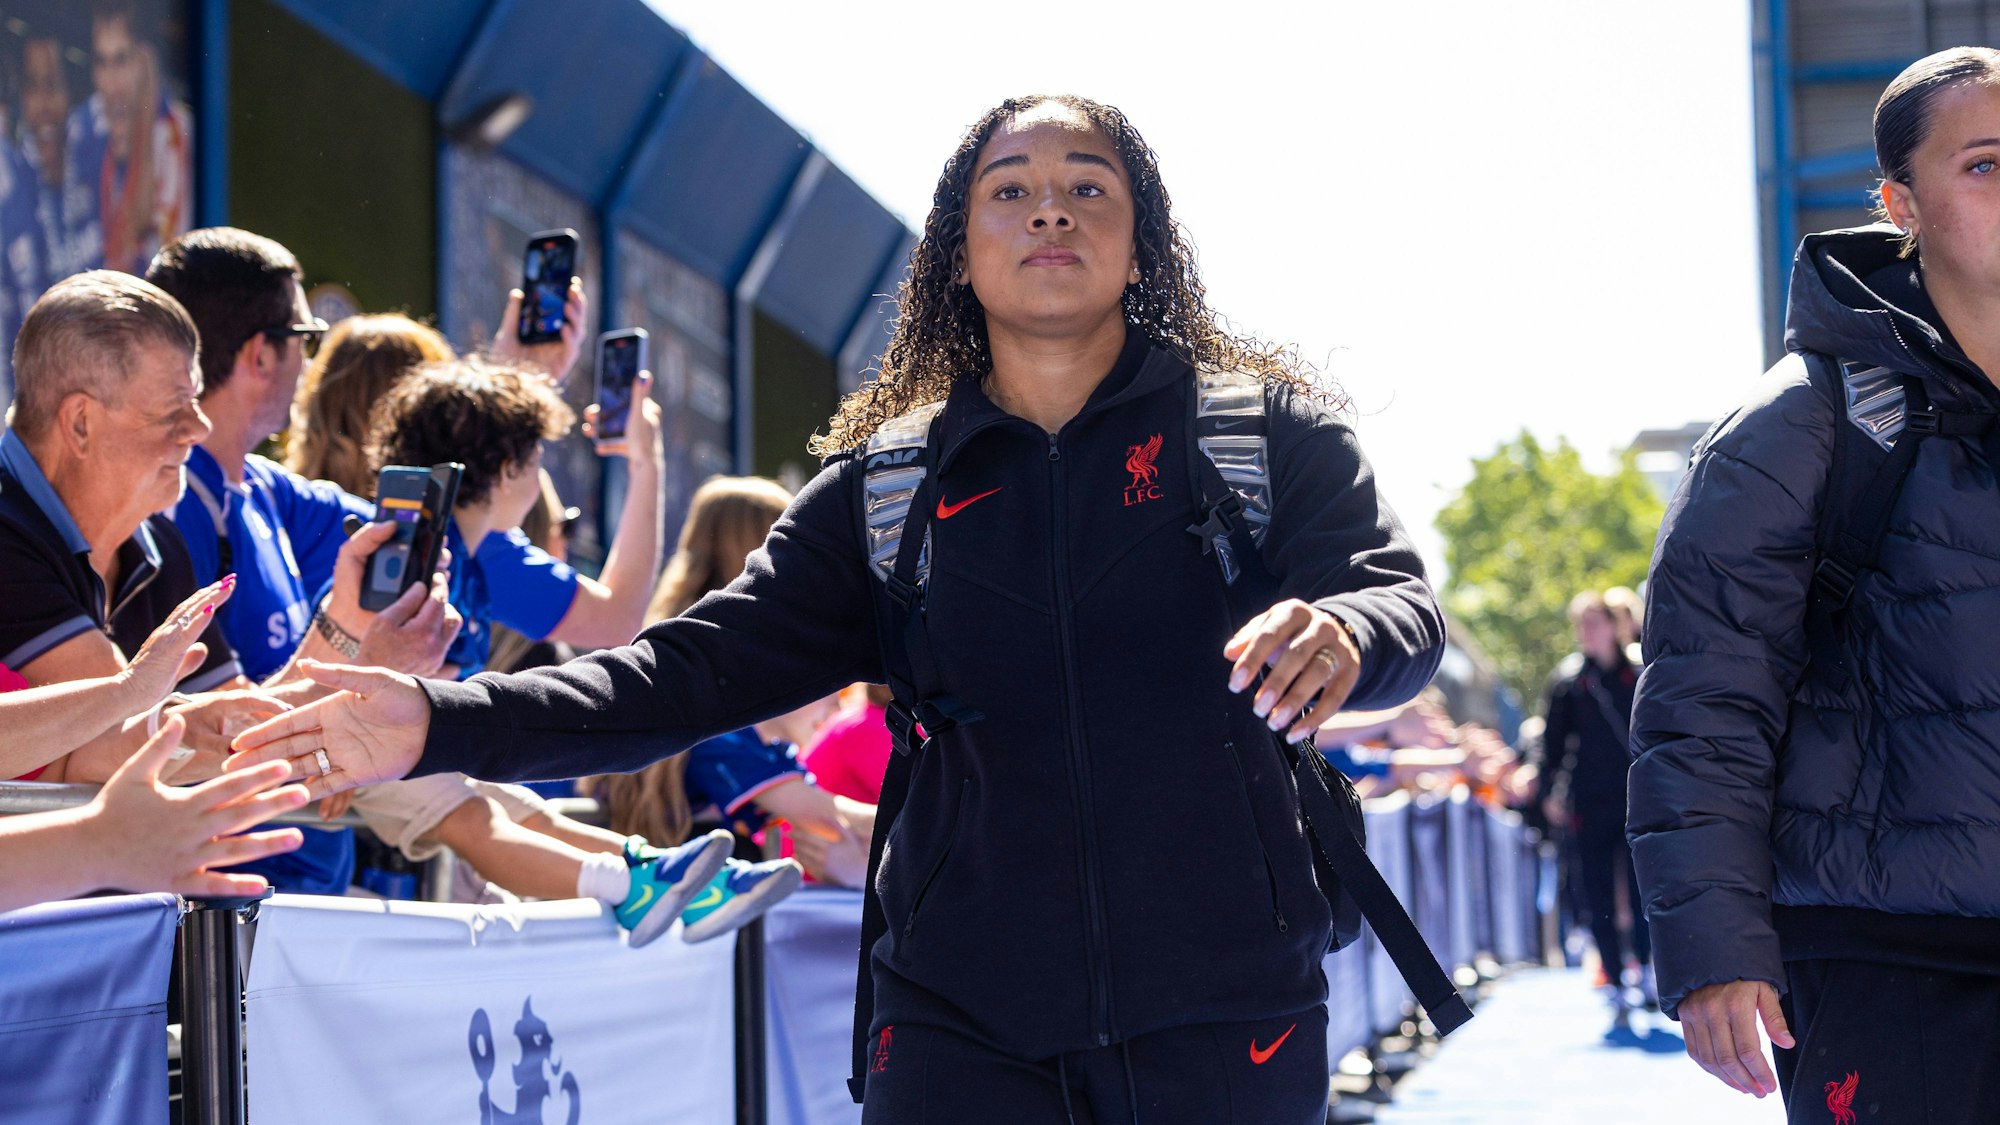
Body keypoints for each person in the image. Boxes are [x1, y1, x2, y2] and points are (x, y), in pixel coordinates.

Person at [230, 94, 1443, 1124]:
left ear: (1144, 243)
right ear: (957, 254)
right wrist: (435, 722)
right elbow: (677, 678)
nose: (1049, 210)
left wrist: (1347, 633)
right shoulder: (885, 488)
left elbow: (1395, 602)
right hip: (958, 1020)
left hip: (1223, 1010)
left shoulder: (1258, 439)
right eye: (1009, 191)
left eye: (1088, 187)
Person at [1629, 47, 2000, 1119]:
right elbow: (1704, 704)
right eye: (1981, 165)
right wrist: (1710, 946)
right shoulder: (1803, 423)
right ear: (1899, 204)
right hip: (1887, 963)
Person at [1541, 591, 1651, 1019]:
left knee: (1644, 891)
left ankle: (1645, 967)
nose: (1586, 633)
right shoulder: (1568, 682)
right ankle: (1614, 976)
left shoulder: (1640, 672)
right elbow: (1551, 747)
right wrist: (1550, 790)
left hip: (1638, 801)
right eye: (1580, 625)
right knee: (1597, 894)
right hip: (1588, 803)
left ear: (1613, 625)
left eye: (1594, 623)